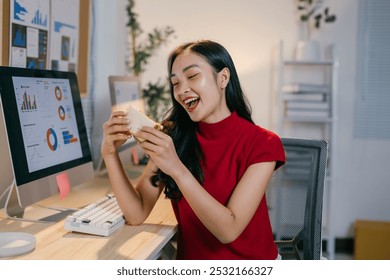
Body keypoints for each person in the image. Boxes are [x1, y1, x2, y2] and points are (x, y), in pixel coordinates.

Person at [101, 40, 285, 260]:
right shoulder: (175, 138)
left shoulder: (263, 143)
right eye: (175, 83)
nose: (182, 90)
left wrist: (177, 169)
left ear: (223, 78)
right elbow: (136, 213)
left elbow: (229, 230)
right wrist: (109, 154)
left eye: (192, 76)